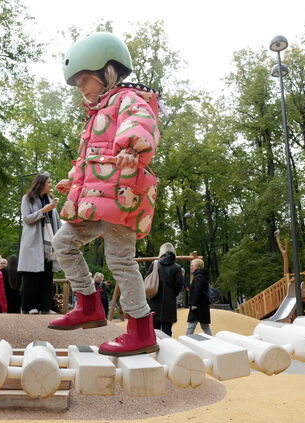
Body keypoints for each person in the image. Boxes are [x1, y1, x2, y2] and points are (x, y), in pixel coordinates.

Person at [48, 32, 161, 357]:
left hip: (122, 195)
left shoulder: (127, 99)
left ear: (106, 72)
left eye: (85, 79)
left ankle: (141, 328)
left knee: (120, 260)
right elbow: (88, 157)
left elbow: (140, 123)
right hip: (97, 198)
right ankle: (88, 306)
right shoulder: (96, 114)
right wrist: (72, 182)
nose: (81, 87)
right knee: (63, 243)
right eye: (78, 82)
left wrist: (129, 149)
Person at [17, 173, 62, 314]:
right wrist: (44, 211)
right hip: (33, 243)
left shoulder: (51, 200)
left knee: (47, 276)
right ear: (41, 183)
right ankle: (30, 307)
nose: (51, 184)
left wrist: (63, 234)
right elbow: (26, 219)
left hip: (49, 245)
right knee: (31, 276)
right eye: (49, 182)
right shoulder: (27, 199)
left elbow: (58, 222)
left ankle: (45, 307)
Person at [146, 243, 184, 337]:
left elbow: (146, 280)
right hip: (169, 304)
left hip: (154, 302)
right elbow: (179, 286)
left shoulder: (154, 264)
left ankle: (155, 350)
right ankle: (167, 350)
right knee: (167, 331)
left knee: (154, 331)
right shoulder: (177, 267)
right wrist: (171, 294)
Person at [186, 258, 212, 335]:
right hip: (202, 306)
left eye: (192, 265)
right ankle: (213, 341)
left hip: (198, 307)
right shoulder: (201, 276)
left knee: (191, 325)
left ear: (197, 266)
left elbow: (197, 291)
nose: (190, 267)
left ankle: (186, 340)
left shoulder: (198, 277)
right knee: (204, 326)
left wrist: (194, 304)